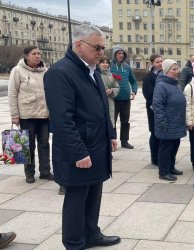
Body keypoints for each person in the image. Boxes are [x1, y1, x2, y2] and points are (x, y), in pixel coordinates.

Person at [44, 24, 121, 249]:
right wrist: (78, 151)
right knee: (77, 198)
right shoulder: (60, 72)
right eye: (97, 47)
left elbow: (102, 106)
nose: (101, 53)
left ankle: (91, 233)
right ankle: (74, 242)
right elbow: (62, 119)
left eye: (103, 48)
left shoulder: (92, 70)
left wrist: (111, 134)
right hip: (78, 150)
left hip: (97, 144)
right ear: (79, 44)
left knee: (94, 192)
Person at [8, 46, 53, 184]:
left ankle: (45, 171)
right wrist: (15, 115)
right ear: (26, 56)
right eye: (34, 54)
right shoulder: (17, 71)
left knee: (44, 144)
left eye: (39, 53)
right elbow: (12, 93)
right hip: (27, 115)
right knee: (28, 146)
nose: (38, 56)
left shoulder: (45, 71)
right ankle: (29, 173)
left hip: (44, 115)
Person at [153, 59, 186, 181]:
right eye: (174, 69)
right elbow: (157, 105)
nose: (177, 71)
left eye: (177, 69)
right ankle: (164, 172)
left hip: (176, 122)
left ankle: (171, 167)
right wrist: (163, 123)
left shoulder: (174, 84)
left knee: (174, 146)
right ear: (166, 70)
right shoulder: (161, 85)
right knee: (166, 148)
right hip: (167, 124)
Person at [110, 45, 138, 149]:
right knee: (112, 121)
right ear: (114, 54)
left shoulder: (126, 67)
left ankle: (124, 141)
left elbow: (134, 81)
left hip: (126, 99)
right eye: (118, 53)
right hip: (113, 99)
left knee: (125, 121)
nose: (121, 55)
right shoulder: (109, 66)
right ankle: (112, 142)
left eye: (122, 53)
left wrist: (134, 91)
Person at [142, 54, 163, 166]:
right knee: (155, 133)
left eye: (161, 61)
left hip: (164, 109)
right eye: (157, 62)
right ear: (152, 64)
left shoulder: (164, 75)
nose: (160, 64)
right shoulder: (149, 77)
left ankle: (161, 156)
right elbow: (148, 94)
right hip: (153, 109)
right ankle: (154, 158)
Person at [98, 56, 120, 129]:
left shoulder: (111, 76)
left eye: (106, 63)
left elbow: (117, 87)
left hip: (110, 101)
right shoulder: (96, 74)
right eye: (103, 62)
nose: (105, 64)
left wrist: (112, 90)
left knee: (110, 121)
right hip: (99, 101)